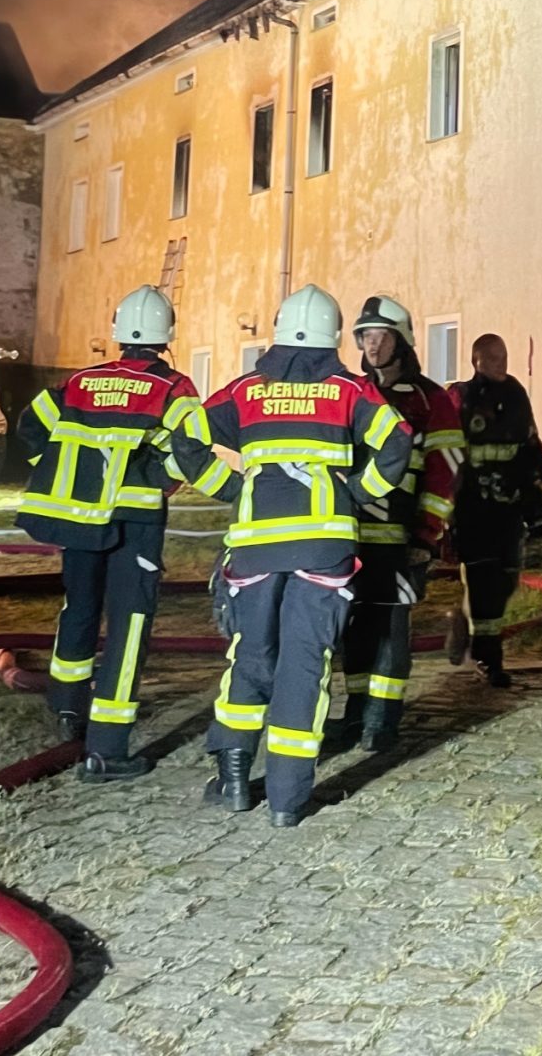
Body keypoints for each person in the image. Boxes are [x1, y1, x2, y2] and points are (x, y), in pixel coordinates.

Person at [198, 284, 412, 827]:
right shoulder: (349, 390)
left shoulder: (245, 390)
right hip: (324, 548)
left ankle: (234, 776)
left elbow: (185, 437)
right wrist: (356, 493)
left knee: (251, 652)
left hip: (256, 546)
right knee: (305, 661)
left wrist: (232, 489)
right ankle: (288, 801)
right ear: (333, 336)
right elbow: (398, 441)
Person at [13, 286, 229, 782]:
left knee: (79, 609)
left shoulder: (79, 382)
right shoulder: (172, 388)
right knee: (129, 625)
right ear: (166, 336)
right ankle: (108, 748)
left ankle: (68, 709)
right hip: (135, 523)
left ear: (118, 333)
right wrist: (163, 479)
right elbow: (188, 450)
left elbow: (30, 427)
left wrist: (60, 472)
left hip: (79, 519)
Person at [330, 295, 462, 753]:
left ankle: (382, 720)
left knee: (391, 626)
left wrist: (428, 532)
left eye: (381, 335)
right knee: (354, 626)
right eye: (365, 335)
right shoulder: (352, 391)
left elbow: (446, 467)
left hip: (402, 537)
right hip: (349, 533)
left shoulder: (431, 399)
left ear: (401, 341)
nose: (372, 344)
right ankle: (355, 711)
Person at [448, 333, 542, 687]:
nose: (500, 363)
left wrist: (533, 478)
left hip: (509, 503)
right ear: (475, 361)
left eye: (503, 356)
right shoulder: (461, 396)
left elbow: (530, 439)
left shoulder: (516, 393)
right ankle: (488, 659)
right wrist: (449, 501)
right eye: (492, 358)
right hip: (473, 504)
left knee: (507, 580)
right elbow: (447, 451)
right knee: (482, 581)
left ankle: (462, 622)